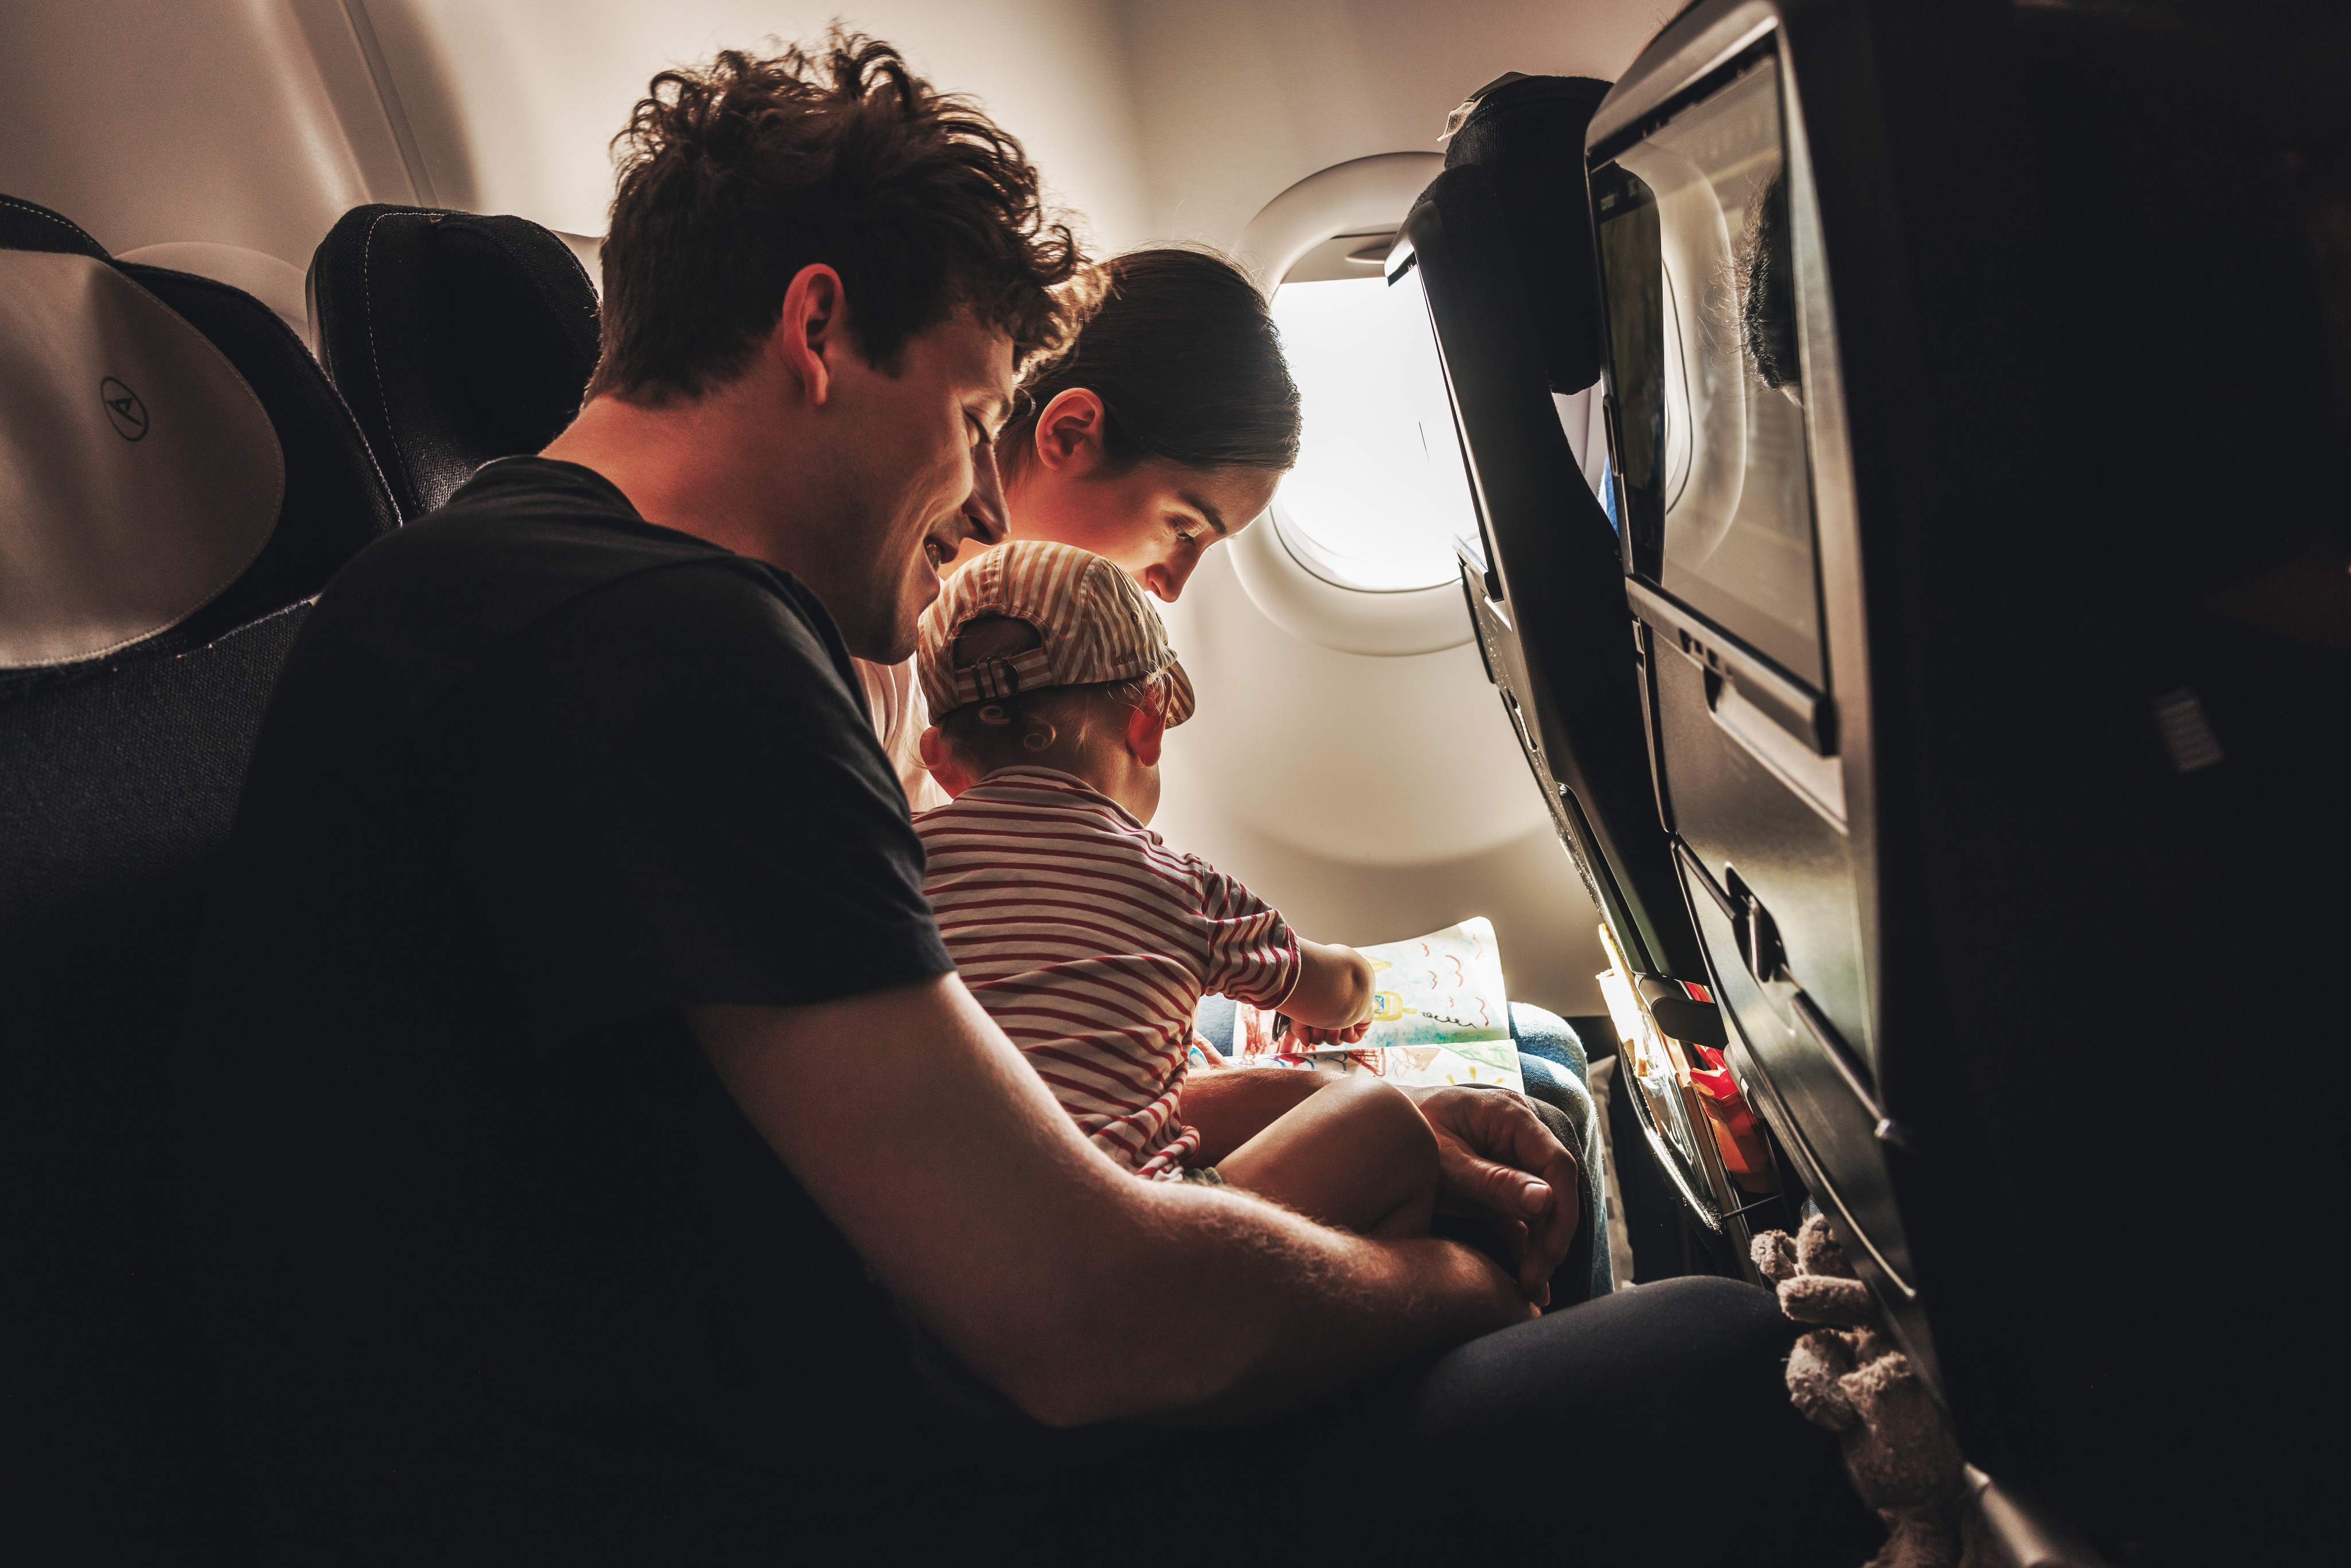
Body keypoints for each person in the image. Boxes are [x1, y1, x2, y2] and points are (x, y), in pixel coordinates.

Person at [174, 31, 1872, 1565]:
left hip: (770, 1418)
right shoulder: (659, 641)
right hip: (756, 1502)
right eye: (975, 410)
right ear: (819, 328)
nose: (985, 496)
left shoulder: (530, 586)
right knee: (1724, 1368)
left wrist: (1386, 1160)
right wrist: (1441, 1277)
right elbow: (1089, 1327)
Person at [914, 541, 1449, 1245]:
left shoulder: (896, 868)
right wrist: (1353, 974)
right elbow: (1339, 989)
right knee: (1382, 1123)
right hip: (1144, 1246)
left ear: (941, 764)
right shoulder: (1182, 887)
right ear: (1149, 720)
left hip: (942, 1247)